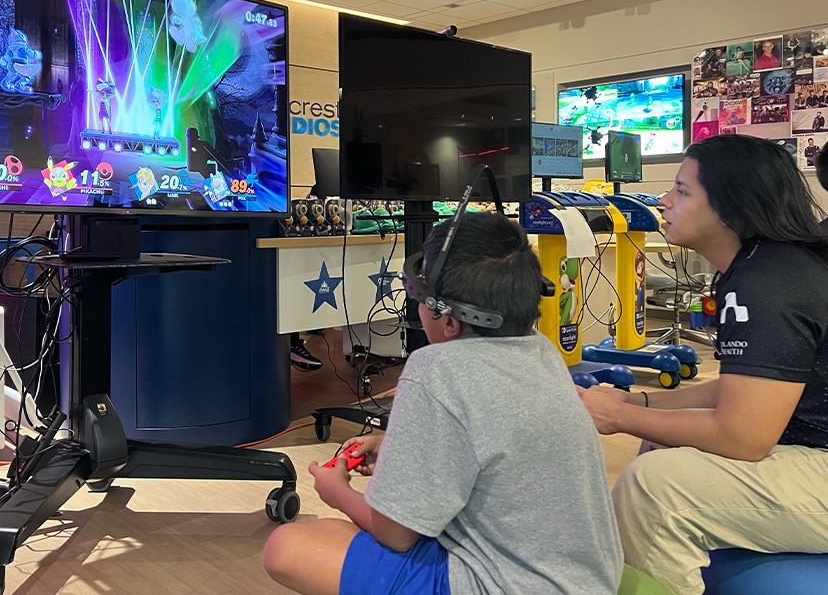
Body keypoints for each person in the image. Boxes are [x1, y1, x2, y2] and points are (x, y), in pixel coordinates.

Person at [263, 211, 623, 595]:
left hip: (508, 584)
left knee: (286, 547)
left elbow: (395, 534)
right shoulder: (541, 351)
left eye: (418, 296)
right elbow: (502, 441)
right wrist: (399, 447)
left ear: (447, 318)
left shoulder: (435, 367)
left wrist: (337, 492)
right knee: (332, 535)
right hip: (588, 579)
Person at [578, 134, 828, 595]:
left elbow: (744, 437)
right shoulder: (768, 265)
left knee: (655, 488)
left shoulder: (767, 282)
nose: (663, 199)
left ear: (731, 206)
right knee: (659, 441)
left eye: (682, 190)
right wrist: (641, 401)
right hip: (812, 449)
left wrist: (618, 416)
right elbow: (748, 384)